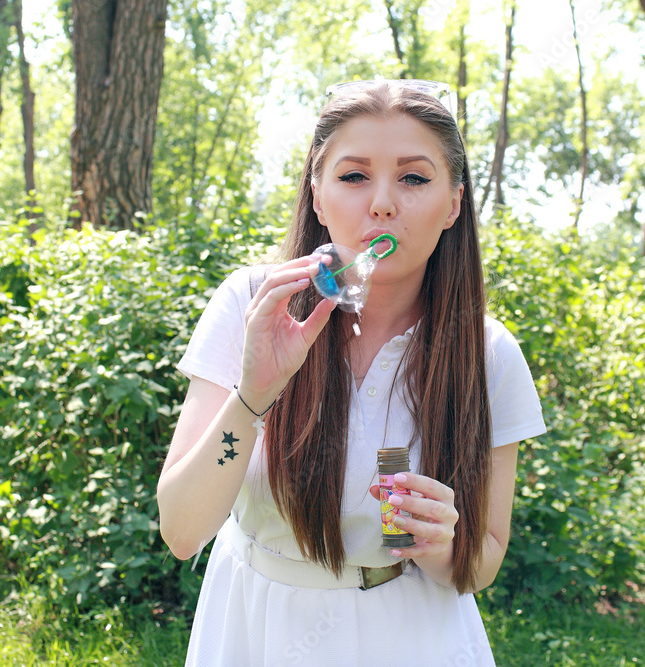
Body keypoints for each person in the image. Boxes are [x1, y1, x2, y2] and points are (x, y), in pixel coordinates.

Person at [157, 79, 547, 666]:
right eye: (354, 175)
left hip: (410, 637)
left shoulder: (487, 353)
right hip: (254, 627)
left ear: (453, 205)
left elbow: (483, 561)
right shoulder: (251, 305)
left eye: (414, 179)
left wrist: (442, 546)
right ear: (317, 196)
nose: (383, 203)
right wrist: (254, 394)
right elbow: (182, 531)